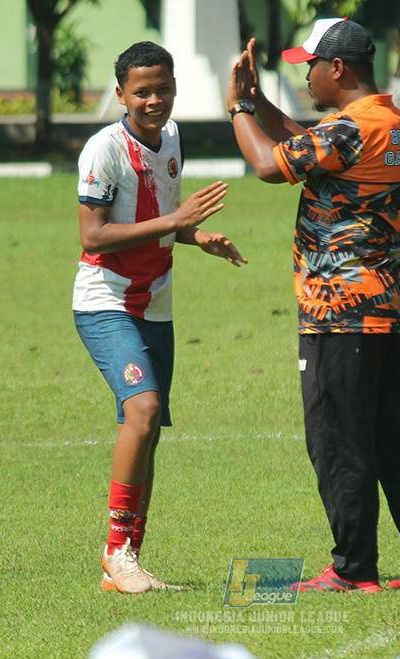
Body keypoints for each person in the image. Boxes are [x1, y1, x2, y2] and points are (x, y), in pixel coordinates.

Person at [226, 19, 400, 593]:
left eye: (310, 64)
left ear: (338, 69)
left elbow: (267, 165)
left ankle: (353, 570)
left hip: (343, 307)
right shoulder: (392, 122)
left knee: (338, 438)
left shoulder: (353, 129)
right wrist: (261, 103)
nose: (304, 75)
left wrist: (237, 109)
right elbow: (308, 145)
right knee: (393, 435)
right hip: (391, 302)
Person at [75, 41, 247, 594]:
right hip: (105, 299)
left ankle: (128, 563)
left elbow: (162, 223)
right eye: (142, 91)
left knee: (146, 433)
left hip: (157, 303)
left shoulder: (172, 138)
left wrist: (197, 237)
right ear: (120, 92)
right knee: (142, 411)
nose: (154, 100)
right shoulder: (103, 150)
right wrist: (178, 219)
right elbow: (93, 235)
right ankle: (114, 552)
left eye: (163, 89)